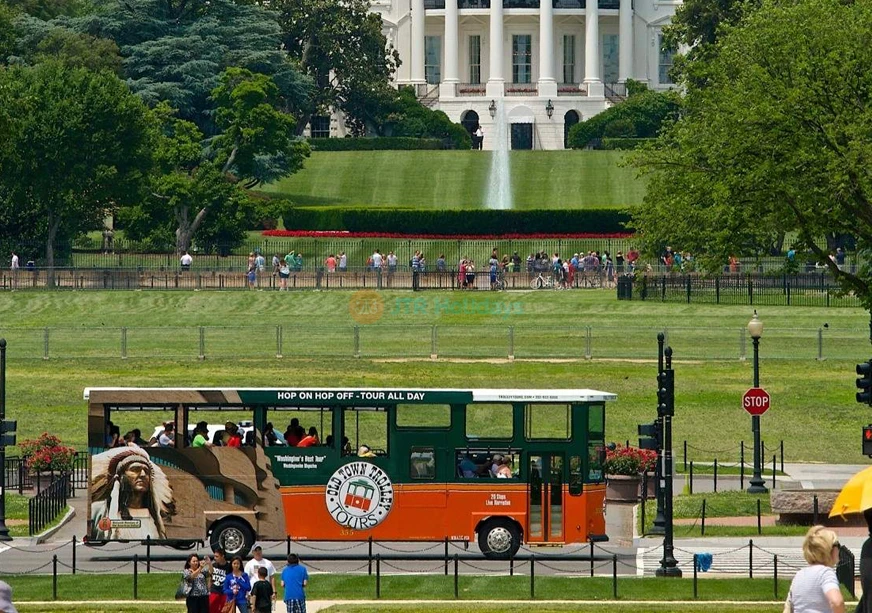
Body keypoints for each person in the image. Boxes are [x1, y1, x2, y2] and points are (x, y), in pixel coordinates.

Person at [90, 446, 175, 541]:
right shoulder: (98, 510)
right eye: (135, 469)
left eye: (146, 471)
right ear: (121, 476)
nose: (143, 474)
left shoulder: (155, 517)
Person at [783, 526, 845, 613]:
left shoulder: (799, 575)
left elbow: (789, 607)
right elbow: (837, 602)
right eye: (837, 545)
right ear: (828, 549)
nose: (839, 549)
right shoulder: (825, 573)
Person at [209, 548, 232, 613]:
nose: (215, 558)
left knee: (224, 610)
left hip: (224, 593)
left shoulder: (229, 567)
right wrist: (209, 590)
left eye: (217, 556)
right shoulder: (214, 565)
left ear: (222, 556)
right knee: (211, 610)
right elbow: (210, 578)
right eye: (214, 556)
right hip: (214, 591)